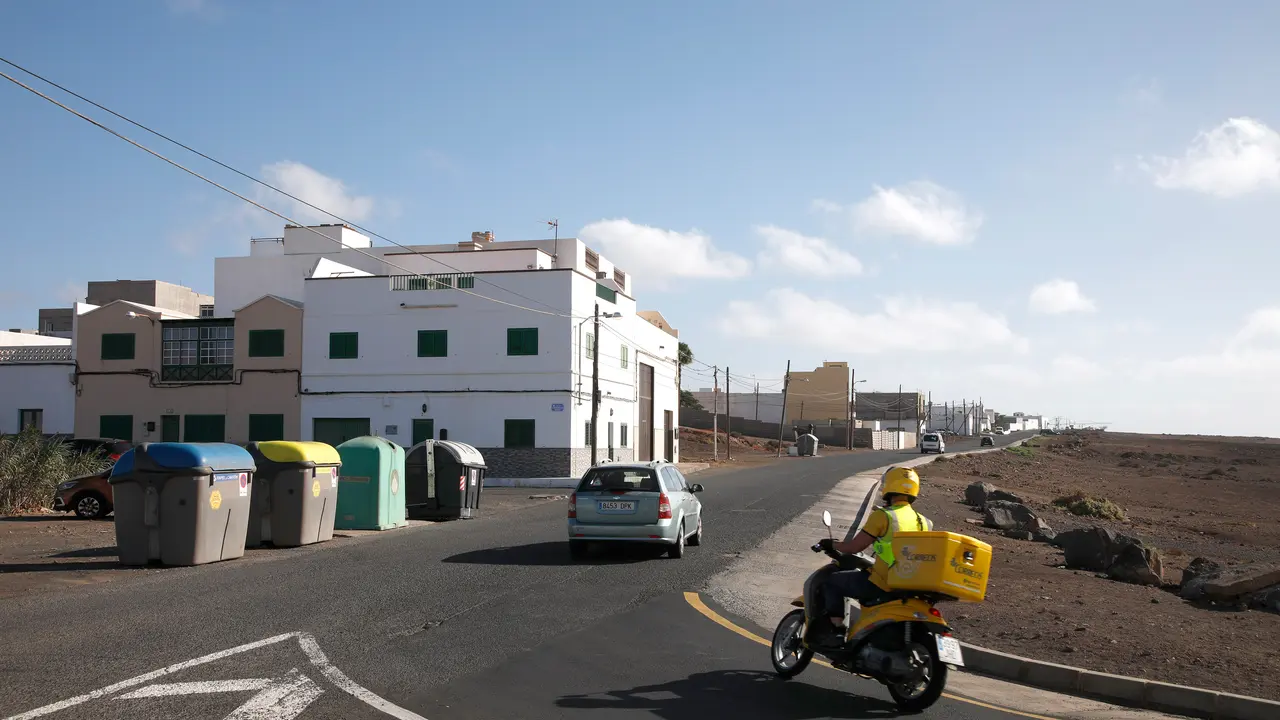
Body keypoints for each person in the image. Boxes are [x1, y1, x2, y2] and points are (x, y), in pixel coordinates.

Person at [805, 466, 934, 647]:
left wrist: (831, 544)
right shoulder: (925, 522)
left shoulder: (883, 516)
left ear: (888, 486)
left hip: (881, 583)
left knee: (832, 582)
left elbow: (853, 547)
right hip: (908, 585)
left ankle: (836, 630)